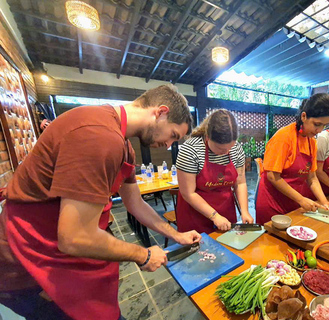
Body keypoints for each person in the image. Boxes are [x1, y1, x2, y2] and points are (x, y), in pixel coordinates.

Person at [0, 84, 202, 320]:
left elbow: (135, 203)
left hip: (62, 259)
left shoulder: (124, 146)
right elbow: (75, 237)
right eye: (172, 136)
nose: (169, 145)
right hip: (32, 265)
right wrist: (143, 255)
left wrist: (176, 235)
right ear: (161, 112)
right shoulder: (99, 136)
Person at [256, 93, 329, 225]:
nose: (319, 130)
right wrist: (301, 199)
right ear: (304, 116)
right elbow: (272, 176)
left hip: (292, 203)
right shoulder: (283, 137)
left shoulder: (312, 143)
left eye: (324, 125)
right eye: (317, 124)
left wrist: (325, 202)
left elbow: (312, 178)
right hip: (272, 204)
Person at [175, 109, 253, 234]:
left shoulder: (236, 149)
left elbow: (240, 182)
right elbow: (188, 193)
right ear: (207, 137)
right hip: (195, 216)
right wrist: (215, 216)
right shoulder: (190, 150)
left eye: (230, 147)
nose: (227, 152)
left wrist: (245, 211)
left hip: (225, 213)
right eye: (220, 148)